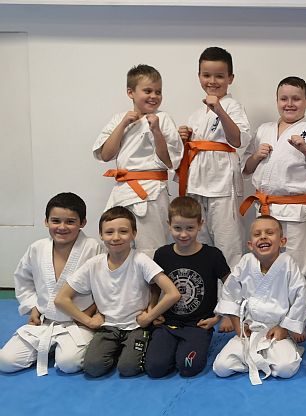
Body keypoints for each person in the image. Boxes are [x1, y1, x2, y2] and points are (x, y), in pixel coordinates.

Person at [54, 206, 181, 377]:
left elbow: (173, 293)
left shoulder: (141, 260)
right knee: (93, 368)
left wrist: (149, 317)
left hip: (136, 326)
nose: (116, 237)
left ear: (134, 234)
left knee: (128, 368)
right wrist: (89, 321)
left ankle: (128, 353)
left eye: (123, 231)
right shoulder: (94, 264)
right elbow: (61, 299)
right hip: (108, 327)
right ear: (101, 235)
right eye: (109, 232)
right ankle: (117, 351)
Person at [0, 193, 103, 375]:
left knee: (68, 364)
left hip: (79, 323)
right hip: (44, 322)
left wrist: (91, 313)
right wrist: (33, 306)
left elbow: (105, 285)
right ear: (46, 221)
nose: (62, 227)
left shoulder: (93, 248)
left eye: (70, 222)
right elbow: (23, 279)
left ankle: (61, 349)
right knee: (6, 361)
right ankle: (52, 346)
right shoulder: (37, 248)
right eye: (55, 221)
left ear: (83, 222)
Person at [241, 76, 306, 275]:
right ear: (277, 101)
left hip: (296, 211)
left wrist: (305, 149)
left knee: (297, 267)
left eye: (296, 99)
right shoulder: (263, 130)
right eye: (284, 99)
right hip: (265, 210)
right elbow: (246, 169)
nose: (289, 104)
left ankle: (299, 296)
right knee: (264, 264)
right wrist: (256, 156)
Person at [92, 64, 183, 258]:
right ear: (130, 92)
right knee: (115, 246)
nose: (154, 96)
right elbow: (106, 154)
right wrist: (123, 124)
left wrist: (156, 130)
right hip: (122, 191)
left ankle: (153, 280)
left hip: (151, 192)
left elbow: (169, 161)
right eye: (147, 91)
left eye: (158, 92)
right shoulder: (119, 118)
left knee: (150, 250)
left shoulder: (163, 119)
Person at [177, 46, 252, 268]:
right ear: (199, 76)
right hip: (197, 183)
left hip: (222, 185)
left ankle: (230, 289)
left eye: (219, 76)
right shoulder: (196, 114)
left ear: (230, 78)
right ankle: (205, 287)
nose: (212, 81)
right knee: (199, 241)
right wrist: (184, 138)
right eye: (206, 75)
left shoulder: (233, 106)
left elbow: (237, 139)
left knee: (227, 243)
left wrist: (219, 110)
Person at [212, 215, 306, 385]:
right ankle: (258, 359)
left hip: (277, 330)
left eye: (269, 233)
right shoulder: (246, 262)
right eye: (257, 234)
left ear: (282, 241)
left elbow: (301, 297)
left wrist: (284, 328)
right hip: (249, 328)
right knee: (221, 367)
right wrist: (238, 327)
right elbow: (229, 294)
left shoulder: (288, 264)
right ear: (250, 245)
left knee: (286, 369)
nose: (263, 237)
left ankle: (259, 357)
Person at [145, 196, 230, 378]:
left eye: (190, 228)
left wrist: (219, 317)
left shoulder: (213, 255)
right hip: (168, 323)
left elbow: (231, 287)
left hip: (199, 325)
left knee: (188, 367)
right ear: (169, 225)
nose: (183, 234)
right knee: (155, 368)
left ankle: (190, 347)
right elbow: (155, 287)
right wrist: (153, 308)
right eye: (177, 228)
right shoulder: (162, 254)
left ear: (200, 225)